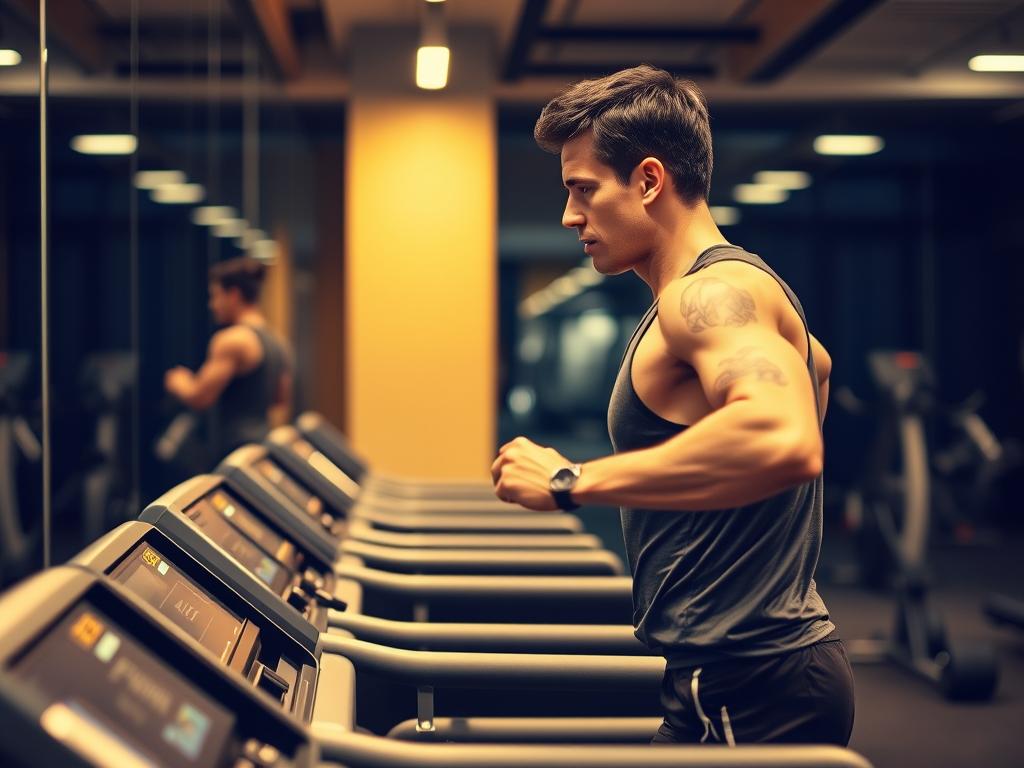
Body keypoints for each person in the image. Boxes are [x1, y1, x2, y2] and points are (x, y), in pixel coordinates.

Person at [491, 65, 854, 746]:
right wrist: (751, 524)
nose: (570, 215)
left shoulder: (705, 295)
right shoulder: (718, 289)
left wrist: (571, 481)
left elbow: (784, 437)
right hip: (737, 671)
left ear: (650, 181)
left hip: (752, 679)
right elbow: (819, 366)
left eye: (584, 189)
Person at [164, 257, 292, 461]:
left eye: (215, 296)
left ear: (233, 295)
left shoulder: (232, 340)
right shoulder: (277, 342)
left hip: (233, 450)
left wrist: (178, 382)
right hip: (259, 447)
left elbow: (200, 397)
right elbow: (279, 399)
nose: (212, 305)